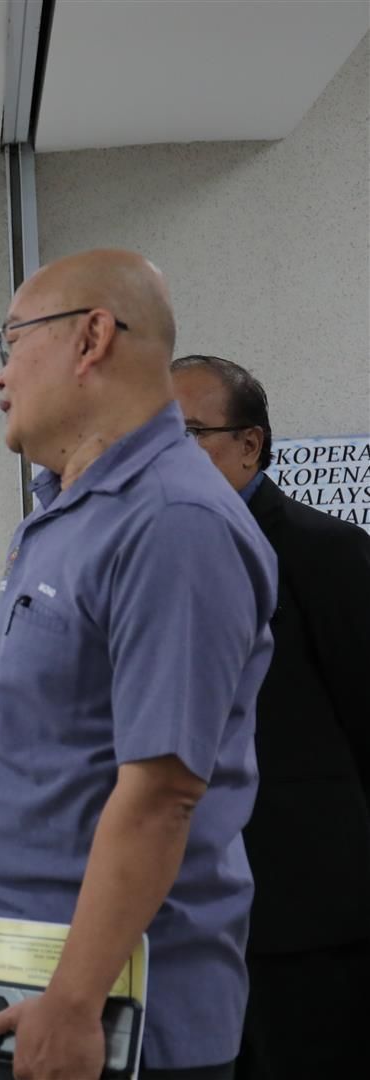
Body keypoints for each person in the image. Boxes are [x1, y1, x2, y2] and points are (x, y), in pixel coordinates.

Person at [0, 250, 277, 1080]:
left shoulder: (172, 521)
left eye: (14, 340)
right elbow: (59, 745)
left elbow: (163, 792)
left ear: (91, 338)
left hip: (114, 1021)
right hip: (26, 967)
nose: (0, 374)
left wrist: (75, 998)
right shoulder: (67, 509)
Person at [170, 354, 370, 1080]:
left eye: (187, 434)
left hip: (304, 914)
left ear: (249, 444)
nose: (162, 455)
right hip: (181, 908)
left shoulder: (328, 554)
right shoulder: (156, 556)